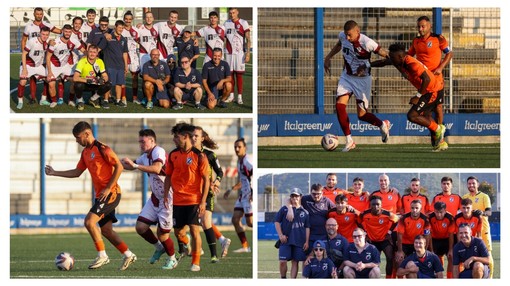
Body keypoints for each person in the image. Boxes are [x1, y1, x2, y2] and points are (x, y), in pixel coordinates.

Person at [44, 121, 136, 270]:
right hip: (101, 196)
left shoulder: (103, 149)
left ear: (87, 134)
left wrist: (108, 188)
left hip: (110, 194)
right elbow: (77, 172)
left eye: (78, 137)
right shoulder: (85, 153)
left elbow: (119, 166)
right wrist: (55, 172)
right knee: (106, 230)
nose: (77, 141)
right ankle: (128, 254)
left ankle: (102, 256)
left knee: (89, 222)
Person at [323, 20, 390, 152]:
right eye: (346, 35)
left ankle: (383, 124)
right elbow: (339, 44)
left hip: (362, 80)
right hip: (347, 77)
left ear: (357, 31)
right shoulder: (342, 36)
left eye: (350, 35)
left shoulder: (367, 43)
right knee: (339, 105)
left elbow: (386, 55)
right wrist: (328, 57)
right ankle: (349, 140)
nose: (347, 38)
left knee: (362, 115)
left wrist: (368, 65)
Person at [120, 129, 178, 270]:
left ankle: (172, 259)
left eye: (143, 141)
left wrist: (135, 165)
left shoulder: (158, 151)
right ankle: (159, 248)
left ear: (152, 141)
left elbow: (157, 169)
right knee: (140, 227)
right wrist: (115, 163)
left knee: (163, 235)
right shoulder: (145, 156)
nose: (140, 144)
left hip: (168, 198)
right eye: (139, 141)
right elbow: (130, 166)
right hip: (155, 199)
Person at [164, 122, 210, 272]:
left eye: (176, 137)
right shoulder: (173, 155)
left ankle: (195, 263)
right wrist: (166, 195)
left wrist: (203, 202)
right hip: (177, 200)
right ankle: (186, 241)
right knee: (178, 232)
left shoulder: (199, 155)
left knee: (195, 230)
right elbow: (168, 176)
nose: (174, 140)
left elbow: (206, 179)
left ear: (185, 137)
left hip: (194, 200)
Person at [387, 43, 446, 149]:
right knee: (426, 117)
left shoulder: (411, 63)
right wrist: (367, 64)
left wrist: (417, 96)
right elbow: (384, 62)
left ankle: (438, 129)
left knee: (412, 116)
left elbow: (426, 79)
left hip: (431, 90)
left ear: (400, 57)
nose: (391, 59)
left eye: (392, 57)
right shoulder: (402, 61)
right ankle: (439, 143)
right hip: (429, 90)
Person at [409, 16, 453, 151]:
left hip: (437, 80)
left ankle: (442, 139)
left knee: (438, 108)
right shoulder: (416, 41)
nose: (420, 29)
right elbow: (409, 55)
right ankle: (437, 138)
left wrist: (440, 68)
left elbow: (449, 53)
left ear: (429, 26)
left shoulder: (438, 39)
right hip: (424, 81)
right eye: (419, 27)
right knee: (426, 113)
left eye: (423, 26)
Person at [192, 126, 231, 262]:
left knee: (205, 221)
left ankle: (213, 255)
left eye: (196, 135)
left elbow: (220, 171)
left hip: (206, 193)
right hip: (190, 194)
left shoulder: (210, 155)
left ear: (202, 138)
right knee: (193, 223)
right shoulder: (188, 154)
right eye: (192, 135)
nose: (193, 138)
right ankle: (219, 240)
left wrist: (216, 182)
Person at [21, 7, 61, 105]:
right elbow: (24, 40)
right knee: (32, 78)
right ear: (34, 14)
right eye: (37, 14)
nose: (39, 15)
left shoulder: (47, 24)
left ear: (42, 14)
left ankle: (44, 97)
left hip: (44, 54)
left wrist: (53, 40)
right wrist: (24, 53)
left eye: (40, 14)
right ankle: (33, 98)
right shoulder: (28, 26)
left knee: (46, 76)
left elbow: (60, 31)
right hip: (33, 55)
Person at [224, 138, 253, 253]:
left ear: (245, 148)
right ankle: (245, 246)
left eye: (239, 147)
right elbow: (244, 180)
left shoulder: (247, 162)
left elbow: (253, 177)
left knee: (250, 223)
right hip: (243, 196)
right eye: (235, 147)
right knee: (235, 219)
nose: (237, 149)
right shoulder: (239, 161)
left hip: (249, 196)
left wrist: (253, 193)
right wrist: (231, 189)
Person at [45, 24, 86, 108]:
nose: (67, 33)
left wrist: (91, 56)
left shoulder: (74, 41)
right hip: (53, 65)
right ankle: (54, 101)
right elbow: (48, 57)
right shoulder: (55, 42)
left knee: (75, 80)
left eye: (69, 32)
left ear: (71, 32)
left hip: (65, 65)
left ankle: (70, 100)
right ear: (62, 31)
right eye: (66, 31)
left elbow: (83, 50)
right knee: (51, 83)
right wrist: (49, 71)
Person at [359, 195, 399, 279]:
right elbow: (358, 221)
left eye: (378, 204)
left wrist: (389, 232)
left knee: (390, 257)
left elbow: (397, 220)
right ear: (370, 205)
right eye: (373, 204)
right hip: (372, 240)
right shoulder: (365, 214)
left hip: (384, 239)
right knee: (370, 260)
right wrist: (365, 233)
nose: (376, 207)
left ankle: (388, 279)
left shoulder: (387, 214)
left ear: (381, 205)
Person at [274, 188, 310, 279]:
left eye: (297, 196)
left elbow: (307, 227)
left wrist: (307, 241)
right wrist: (280, 235)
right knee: (282, 261)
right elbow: (277, 222)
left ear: (300, 196)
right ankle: (283, 278)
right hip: (285, 240)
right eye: (292, 196)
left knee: (295, 262)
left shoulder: (305, 212)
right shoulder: (284, 209)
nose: (294, 198)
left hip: (299, 241)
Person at [463, 176, 494, 277]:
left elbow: (489, 212)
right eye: (469, 183)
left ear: (478, 184)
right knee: (466, 255)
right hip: (469, 232)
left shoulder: (484, 196)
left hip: (483, 229)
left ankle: (490, 278)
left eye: (473, 183)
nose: (471, 185)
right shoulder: (465, 197)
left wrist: (483, 213)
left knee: (488, 255)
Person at [16, 26, 50, 109]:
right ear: (39, 33)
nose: (45, 36)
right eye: (43, 34)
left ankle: (43, 99)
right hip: (28, 65)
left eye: (47, 35)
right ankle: (20, 101)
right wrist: (24, 69)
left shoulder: (47, 42)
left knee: (49, 78)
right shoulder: (32, 41)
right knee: (23, 81)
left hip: (38, 66)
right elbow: (24, 54)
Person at [223, 7, 251, 105]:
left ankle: (239, 96)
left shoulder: (243, 23)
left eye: (234, 12)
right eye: (230, 13)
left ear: (237, 12)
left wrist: (248, 52)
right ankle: (231, 96)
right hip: (229, 53)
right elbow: (223, 38)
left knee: (239, 75)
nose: (232, 14)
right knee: (230, 75)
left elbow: (248, 39)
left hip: (240, 53)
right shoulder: (226, 24)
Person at [296, 184, 335, 251]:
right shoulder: (305, 199)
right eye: (314, 194)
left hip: (323, 234)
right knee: (308, 257)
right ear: (310, 193)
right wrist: (289, 209)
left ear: (322, 193)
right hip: (310, 235)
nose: (316, 196)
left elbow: (336, 209)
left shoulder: (326, 201)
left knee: (323, 255)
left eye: (318, 194)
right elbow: (291, 199)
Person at [72, 44, 112, 111]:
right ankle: (80, 100)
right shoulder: (82, 61)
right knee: (77, 85)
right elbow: (75, 78)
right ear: (87, 52)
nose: (92, 54)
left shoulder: (100, 61)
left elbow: (105, 76)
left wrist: (103, 79)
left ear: (97, 53)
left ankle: (93, 99)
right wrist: (87, 80)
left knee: (108, 84)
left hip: (95, 83)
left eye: (94, 52)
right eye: (90, 52)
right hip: (85, 84)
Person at [395, 200, 431, 265]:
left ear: (420, 208)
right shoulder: (403, 218)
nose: (414, 210)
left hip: (418, 244)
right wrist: (400, 251)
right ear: (410, 208)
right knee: (399, 260)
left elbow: (427, 236)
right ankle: (400, 275)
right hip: (405, 243)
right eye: (412, 208)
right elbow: (399, 235)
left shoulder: (425, 220)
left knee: (420, 262)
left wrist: (424, 250)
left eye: (417, 208)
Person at [103, 20, 129, 108]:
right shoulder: (109, 37)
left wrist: (126, 65)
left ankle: (118, 100)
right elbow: (101, 46)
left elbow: (125, 53)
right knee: (109, 84)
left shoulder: (123, 39)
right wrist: (106, 34)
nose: (121, 29)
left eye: (122, 28)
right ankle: (105, 100)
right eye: (119, 27)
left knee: (119, 83)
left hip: (120, 65)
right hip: (110, 64)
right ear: (115, 27)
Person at [429, 201, 455, 278]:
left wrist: (450, 249)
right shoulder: (430, 217)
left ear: (445, 211)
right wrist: (431, 250)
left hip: (446, 240)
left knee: (451, 257)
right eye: (437, 212)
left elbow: (451, 234)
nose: (439, 215)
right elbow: (429, 234)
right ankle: (437, 276)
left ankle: (449, 277)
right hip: (434, 240)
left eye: (441, 212)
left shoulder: (450, 218)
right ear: (434, 211)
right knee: (433, 258)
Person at [121, 11, 141, 104]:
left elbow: (141, 40)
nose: (128, 21)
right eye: (126, 19)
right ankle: (123, 97)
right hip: (122, 56)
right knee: (123, 77)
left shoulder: (136, 30)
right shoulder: (120, 29)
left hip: (133, 57)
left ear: (132, 20)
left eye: (130, 19)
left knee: (134, 77)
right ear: (124, 19)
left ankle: (134, 97)